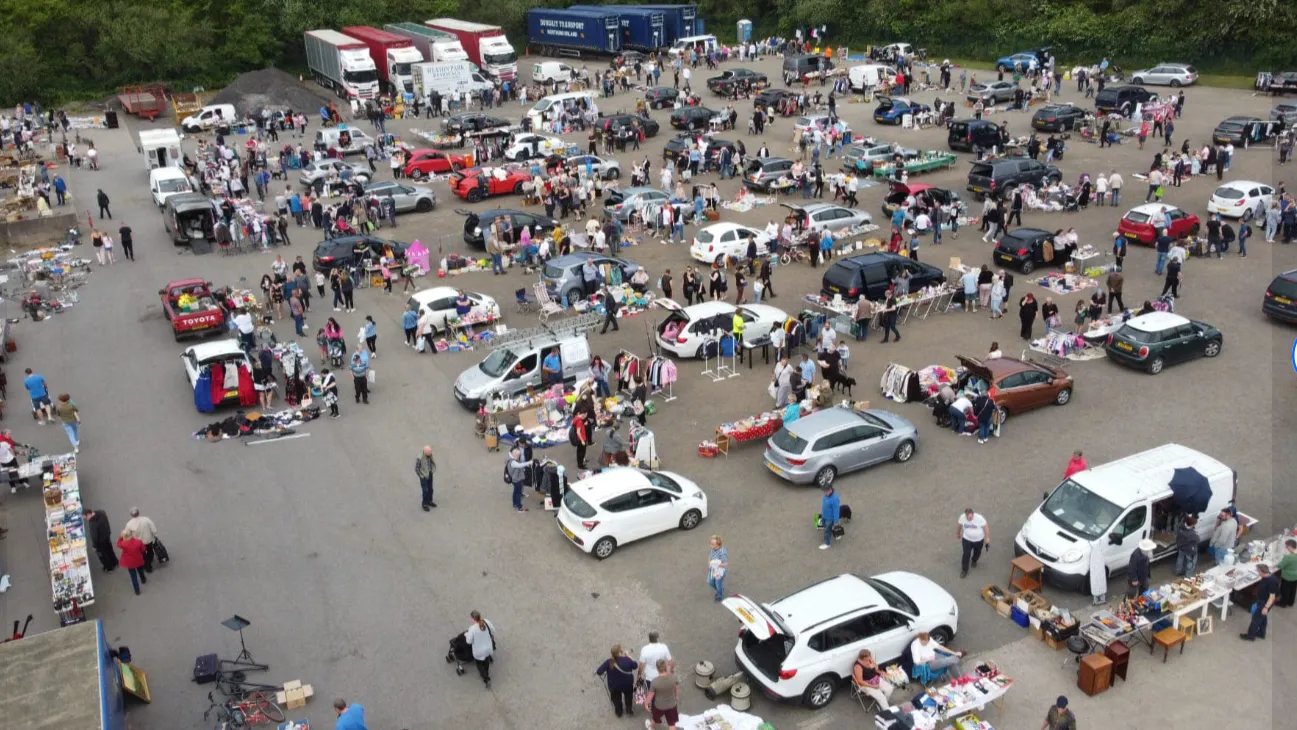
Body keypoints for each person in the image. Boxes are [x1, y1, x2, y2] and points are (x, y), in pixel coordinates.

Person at [594, 645, 639, 718]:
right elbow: (635, 666)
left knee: (616, 699)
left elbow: (599, 671)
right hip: (627, 684)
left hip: (614, 686)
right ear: (620, 653)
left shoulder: (609, 662)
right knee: (628, 697)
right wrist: (629, 656)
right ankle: (628, 709)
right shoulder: (627, 660)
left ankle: (619, 712)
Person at [1240, 564, 1279, 641]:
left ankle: (1250, 636)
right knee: (1263, 618)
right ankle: (1261, 633)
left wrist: (1266, 607)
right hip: (1262, 600)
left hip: (1264, 603)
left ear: (1262, 571)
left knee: (1255, 620)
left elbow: (1272, 597)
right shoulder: (1267, 576)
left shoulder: (1271, 582)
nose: (1257, 572)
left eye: (1258, 571)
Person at [645, 659, 680, 730]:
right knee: (672, 723)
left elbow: (650, 695)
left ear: (657, 669)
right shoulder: (674, 677)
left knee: (655, 718)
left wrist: (646, 703)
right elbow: (676, 688)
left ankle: (651, 728)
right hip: (672, 704)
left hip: (659, 706)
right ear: (666, 667)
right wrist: (676, 696)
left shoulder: (654, 682)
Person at [465, 610, 496, 687]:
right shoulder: (486, 622)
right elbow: (493, 630)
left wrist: (466, 635)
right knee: (486, 661)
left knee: (479, 664)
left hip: (479, 652)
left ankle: (486, 678)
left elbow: (469, 641)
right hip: (488, 648)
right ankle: (487, 672)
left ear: (472, 619)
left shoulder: (472, 629)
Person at [124, 507, 160, 572]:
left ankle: (148, 567)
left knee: (143, 555)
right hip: (148, 540)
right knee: (150, 550)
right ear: (138, 513)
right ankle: (150, 558)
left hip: (139, 544)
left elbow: (127, 535)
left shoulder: (129, 524)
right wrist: (156, 536)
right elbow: (153, 528)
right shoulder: (146, 520)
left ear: (131, 515)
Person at [957, 509, 990, 578]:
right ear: (965, 515)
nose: (969, 519)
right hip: (967, 539)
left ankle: (974, 560)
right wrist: (958, 533)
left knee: (977, 552)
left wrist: (986, 538)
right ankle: (964, 570)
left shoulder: (979, 518)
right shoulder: (962, 517)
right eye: (968, 518)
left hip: (979, 540)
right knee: (966, 554)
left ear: (973, 514)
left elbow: (986, 528)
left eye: (971, 518)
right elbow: (959, 525)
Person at [117, 530, 148, 595]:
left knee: (133, 576)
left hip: (130, 563)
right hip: (138, 560)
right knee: (140, 570)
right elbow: (143, 549)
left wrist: (121, 537)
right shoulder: (138, 542)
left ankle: (137, 590)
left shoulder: (123, 544)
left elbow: (118, 543)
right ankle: (143, 579)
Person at [505, 446, 529, 512]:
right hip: (517, 480)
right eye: (518, 455)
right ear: (514, 455)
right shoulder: (513, 462)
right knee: (518, 493)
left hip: (513, 479)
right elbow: (520, 465)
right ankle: (519, 508)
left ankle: (514, 504)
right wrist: (529, 462)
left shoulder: (510, 459)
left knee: (515, 492)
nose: (519, 457)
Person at [1276, 539, 1297, 608]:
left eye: (1286, 547)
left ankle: (1283, 603)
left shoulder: (1288, 557)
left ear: (1290, 547)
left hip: (1288, 577)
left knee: (1285, 590)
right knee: (1293, 589)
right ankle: (1290, 602)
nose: (1286, 548)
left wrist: (1277, 563)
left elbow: (1281, 565)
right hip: (1295, 576)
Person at [819, 484, 840, 550]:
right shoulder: (826, 495)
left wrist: (836, 521)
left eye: (826, 491)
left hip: (830, 518)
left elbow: (836, 511)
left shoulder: (835, 498)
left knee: (827, 530)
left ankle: (827, 544)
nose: (825, 492)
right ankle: (837, 535)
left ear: (830, 489)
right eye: (824, 491)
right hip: (824, 515)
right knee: (828, 527)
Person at [707, 535, 728, 602]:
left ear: (718, 545)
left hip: (719, 571)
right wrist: (709, 564)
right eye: (711, 543)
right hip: (713, 569)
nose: (711, 545)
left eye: (712, 544)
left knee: (718, 584)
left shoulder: (722, 553)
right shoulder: (713, 549)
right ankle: (720, 589)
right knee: (710, 581)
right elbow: (710, 557)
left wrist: (717, 564)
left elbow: (725, 564)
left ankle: (719, 596)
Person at [416, 445, 437, 510]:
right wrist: (422, 476)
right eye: (428, 454)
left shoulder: (430, 454)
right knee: (425, 490)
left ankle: (429, 501)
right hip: (424, 476)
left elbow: (432, 462)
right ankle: (424, 504)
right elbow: (417, 469)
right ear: (425, 452)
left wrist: (432, 470)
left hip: (429, 474)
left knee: (430, 489)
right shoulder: (420, 458)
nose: (430, 455)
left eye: (430, 453)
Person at [1089, 540, 1108, 605]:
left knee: (1098, 579)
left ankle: (1098, 599)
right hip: (1097, 564)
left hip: (1097, 564)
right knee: (1099, 579)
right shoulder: (1098, 549)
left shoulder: (1094, 547)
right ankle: (1100, 599)